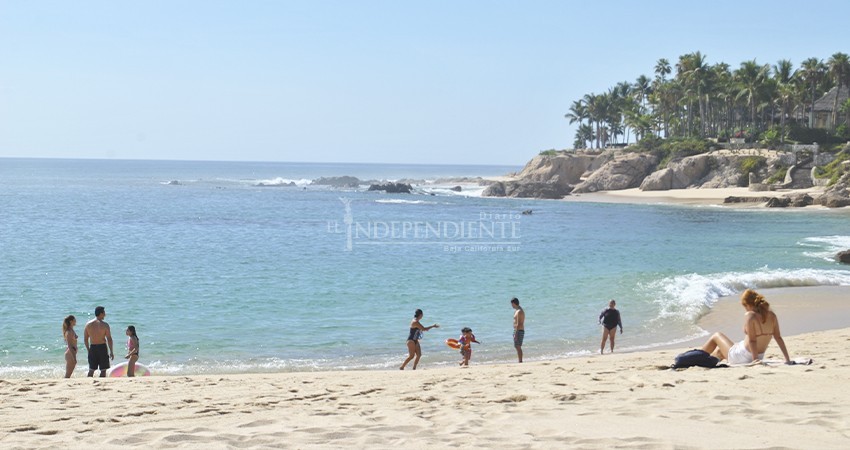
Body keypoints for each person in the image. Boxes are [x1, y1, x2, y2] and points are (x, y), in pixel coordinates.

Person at [701, 289, 792, 365]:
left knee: (717, 335)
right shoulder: (772, 316)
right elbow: (778, 338)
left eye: (744, 306)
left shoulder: (750, 315)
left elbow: (752, 340)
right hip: (758, 355)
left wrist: (755, 360)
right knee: (719, 352)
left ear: (748, 305)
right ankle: (706, 361)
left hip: (743, 356)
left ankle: (697, 357)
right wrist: (787, 359)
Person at [84, 306, 114, 377]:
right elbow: (109, 339)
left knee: (91, 369)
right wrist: (111, 351)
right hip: (102, 347)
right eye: (104, 313)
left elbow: (85, 339)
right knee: (103, 370)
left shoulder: (88, 324)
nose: (105, 314)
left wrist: (88, 350)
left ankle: (88, 382)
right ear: (101, 313)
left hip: (92, 347)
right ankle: (102, 382)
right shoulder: (105, 325)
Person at [511, 298, 525, 362]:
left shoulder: (519, 311)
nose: (511, 305)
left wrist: (516, 333)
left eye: (512, 304)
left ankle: (520, 361)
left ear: (514, 303)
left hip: (519, 330)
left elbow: (519, 323)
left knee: (518, 346)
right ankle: (520, 360)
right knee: (517, 346)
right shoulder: (517, 310)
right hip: (517, 330)